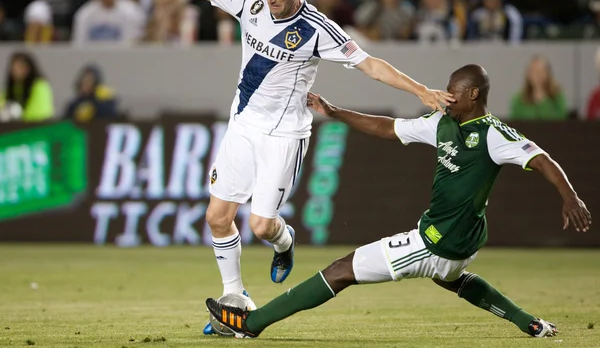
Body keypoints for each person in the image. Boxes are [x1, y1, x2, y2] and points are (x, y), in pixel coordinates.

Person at [137, 0, 453, 335]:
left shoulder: (317, 28)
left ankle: (284, 242)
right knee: (216, 218)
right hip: (242, 128)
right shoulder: (249, 0)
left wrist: (419, 89)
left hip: (285, 136)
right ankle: (234, 297)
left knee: (260, 225)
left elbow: (370, 64)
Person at [206, 64, 592, 339]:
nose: (446, 96)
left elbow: (541, 159)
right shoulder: (442, 122)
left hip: (435, 241)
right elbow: (387, 127)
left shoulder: (492, 135)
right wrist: (336, 112)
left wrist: (570, 196)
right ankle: (530, 323)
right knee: (451, 277)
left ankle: (250, 324)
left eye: (454, 92)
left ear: (474, 94)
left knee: (342, 270)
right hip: (462, 243)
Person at [0, 51, 53, 122]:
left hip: (38, 128)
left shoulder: (40, 86)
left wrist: (19, 118)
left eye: (21, 67)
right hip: (13, 128)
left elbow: (40, 113)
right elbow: (2, 104)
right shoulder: (12, 87)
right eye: (14, 68)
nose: (17, 71)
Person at [510, 55, 568, 120]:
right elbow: (515, 123)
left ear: (547, 74)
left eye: (541, 72)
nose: (538, 76)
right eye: (534, 72)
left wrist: (544, 103)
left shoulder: (557, 95)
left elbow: (561, 120)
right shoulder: (518, 99)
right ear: (528, 75)